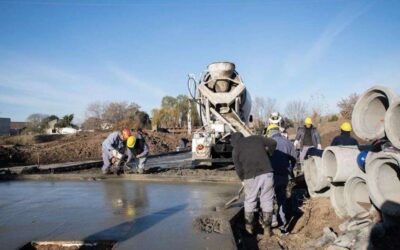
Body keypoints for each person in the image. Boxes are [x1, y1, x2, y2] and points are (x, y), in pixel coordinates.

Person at [231, 132, 277, 236]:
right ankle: (267, 230)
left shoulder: (236, 149)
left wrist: (243, 180)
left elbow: (238, 168)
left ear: (234, 142)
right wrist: (269, 153)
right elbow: (273, 143)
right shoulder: (257, 137)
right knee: (267, 199)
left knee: (250, 201)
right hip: (267, 173)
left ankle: (249, 229)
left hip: (250, 176)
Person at [266, 124, 297, 233]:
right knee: (282, 198)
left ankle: (273, 220)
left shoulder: (267, 143)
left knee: (269, 198)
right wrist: (290, 169)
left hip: (271, 175)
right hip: (284, 175)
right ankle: (283, 224)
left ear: (270, 132)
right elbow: (294, 159)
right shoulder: (287, 142)